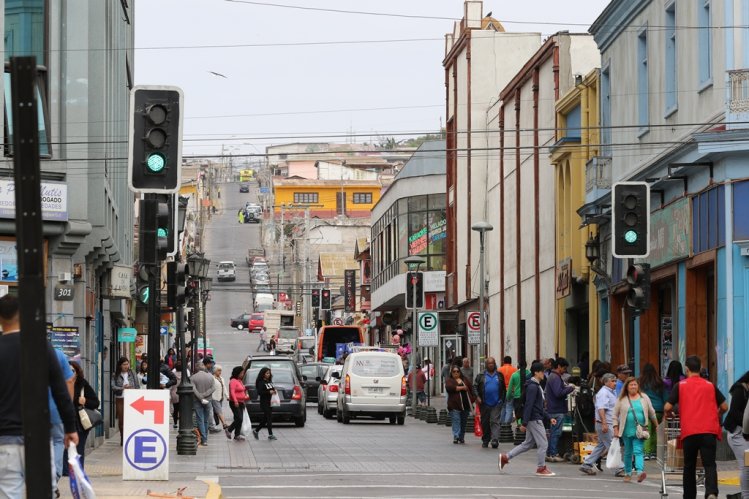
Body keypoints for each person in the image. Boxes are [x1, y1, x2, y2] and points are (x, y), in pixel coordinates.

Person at [0, 294, 78, 497]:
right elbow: (61, 389)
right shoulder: (42, 347)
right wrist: (70, 427)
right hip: (39, 438)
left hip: (5, 439)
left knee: (9, 493)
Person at [664, 355, 728, 499]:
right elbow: (725, 406)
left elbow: (667, 406)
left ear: (686, 370)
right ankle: (711, 492)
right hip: (709, 431)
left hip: (690, 432)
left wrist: (670, 414)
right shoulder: (710, 385)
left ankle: (689, 496)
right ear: (700, 368)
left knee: (689, 466)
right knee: (710, 464)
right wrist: (717, 415)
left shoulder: (680, 386)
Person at [498, 362, 557, 476]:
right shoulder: (533, 387)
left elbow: (537, 406)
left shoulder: (534, 386)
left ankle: (505, 457)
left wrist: (549, 418)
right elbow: (529, 405)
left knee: (528, 444)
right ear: (536, 373)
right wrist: (524, 423)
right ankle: (541, 468)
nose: (543, 373)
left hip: (533, 418)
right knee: (543, 444)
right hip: (534, 419)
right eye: (541, 371)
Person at [613, 377, 658, 483]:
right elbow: (615, 415)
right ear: (627, 387)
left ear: (638, 386)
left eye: (635, 385)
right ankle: (628, 473)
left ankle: (639, 472)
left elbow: (652, 412)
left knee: (638, 451)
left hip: (640, 430)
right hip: (626, 430)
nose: (633, 387)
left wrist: (657, 425)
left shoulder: (644, 397)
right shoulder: (621, 399)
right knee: (628, 452)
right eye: (631, 385)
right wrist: (615, 428)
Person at [579, 373, 619, 476]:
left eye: (615, 381)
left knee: (601, 446)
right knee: (612, 446)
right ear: (606, 382)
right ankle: (618, 468)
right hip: (605, 424)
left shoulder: (611, 392)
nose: (615, 383)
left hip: (608, 423)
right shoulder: (604, 393)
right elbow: (601, 409)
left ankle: (586, 465)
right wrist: (604, 423)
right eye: (613, 381)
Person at [63, 361, 99, 472]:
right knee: (64, 448)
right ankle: (65, 471)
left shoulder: (83, 384)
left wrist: (85, 401)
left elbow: (96, 403)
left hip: (80, 422)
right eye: (67, 370)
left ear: (77, 373)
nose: (70, 373)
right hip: (64, 421)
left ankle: (77, 471)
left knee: (79, 448)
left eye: (72, 371)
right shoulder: (60, 384)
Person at [723, 370, 749, 498]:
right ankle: (745, 495)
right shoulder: (740, 390)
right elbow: (734, 412)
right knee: (746, 465)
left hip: (745, 433)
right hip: (737, 434)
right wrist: (746, 424)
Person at [544, 357, 575, 462]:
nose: (564, 370)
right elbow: (558, 393)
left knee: (554, 432)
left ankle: (550, 453)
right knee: (556, 433)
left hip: (554, 408)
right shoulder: (555, 377)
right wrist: (570, 388)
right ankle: (553, 453)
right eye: (564, 368)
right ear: (558, 367)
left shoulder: (553, 377)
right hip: (556, 410)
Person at [474, 357, 505, 449]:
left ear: (495, 364)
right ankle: (486, 440)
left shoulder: (499, 375)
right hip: (484, 403)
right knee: (485, 422)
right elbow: (474, 387)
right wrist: (477, 397)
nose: (491, 365)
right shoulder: (481, 375)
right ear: (486, 364)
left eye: (492, 363)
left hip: (496, 403)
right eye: (489, 363)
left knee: (495, 421)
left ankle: (495, 439)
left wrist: (501, 400)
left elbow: (503, 388)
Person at [638, 362, 667, 460]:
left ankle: (646, 452)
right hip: (659, 409)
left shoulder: (640, 382)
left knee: (646, 431)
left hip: (645, 410)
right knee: (656, 431)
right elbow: (665, 397)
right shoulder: (659, 382)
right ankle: (654, 452)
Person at [112, 356, 139, 445]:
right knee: (122, 419)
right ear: (120, 365)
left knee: (132, 419)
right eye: (124, 364)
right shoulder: (115, 374)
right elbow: (113, 387)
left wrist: (136, 394)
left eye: (127, 364)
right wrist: (122, 387)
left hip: (132, 398)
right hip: (120, 398)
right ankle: (123, 437)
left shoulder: (132, 373)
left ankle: (130, 437)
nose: (126, 366)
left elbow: (137, 385)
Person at [445, 364, 474, 444]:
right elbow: (450, 388)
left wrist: (473, 399)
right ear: (451, 373)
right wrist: (462, 388)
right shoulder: (449, 380)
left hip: (465, 405)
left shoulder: (464, 379)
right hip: (454, 405)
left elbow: (471, 388)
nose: (456, 373)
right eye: (454, 372)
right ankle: (456, 436)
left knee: (463, 422)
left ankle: (461, 437)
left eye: (457, 371)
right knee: (456, 420)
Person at [191, 360, 216, 446]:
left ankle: (203, 438)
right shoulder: (210, 376)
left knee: (200, 420)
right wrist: (205, 395)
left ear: (196, 369)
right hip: (208, 400)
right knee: (206, 420)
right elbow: (213, 388)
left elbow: (194, 390)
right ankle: (205, 439)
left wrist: (200, 397)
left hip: (197, 401)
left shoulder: (193, 377)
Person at [253, 367, 278, 440]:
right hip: (264, 402)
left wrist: (274, 391)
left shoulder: (269, 381)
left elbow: (271, 389)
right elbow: (260, 392)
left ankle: (256, 430)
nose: (268, 374)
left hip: (270, 402)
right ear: (263, 374)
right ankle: (270, 434)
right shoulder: (261, 382)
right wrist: (268, 392)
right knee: (269, 417)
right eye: (267, 373)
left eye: (269, 373)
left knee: (265, 419)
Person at [226, 366, 248, 441]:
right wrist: (235, 401)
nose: (243, 374)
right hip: (235, 402)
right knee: (239, 418)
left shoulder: (239, 381)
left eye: (243, 373)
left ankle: (237, 435)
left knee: (239, 419)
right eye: (241, 373)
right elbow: (232, 392)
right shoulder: (233, 381)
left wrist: (245, 397)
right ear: (237, 373)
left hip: (241, 402)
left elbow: (242, 391)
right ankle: (229, 429)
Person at [210, 365, 229, 433]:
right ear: (215, 371)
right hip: (214, 398)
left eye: (220, 370)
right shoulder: (212, 378)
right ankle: (224, 424)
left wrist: (227, 396)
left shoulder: (222, 378)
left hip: (220, 398)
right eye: (218, 370)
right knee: (219, 411)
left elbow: (224, 388)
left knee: (216, 413)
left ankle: (213, 425)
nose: (220, 372)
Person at [170, 361, 185, 429]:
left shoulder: (172, 374)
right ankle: (182, 423)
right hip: (182, 393)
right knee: (182, 409)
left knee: (175, 409)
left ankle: (175, 423)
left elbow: (170, 384)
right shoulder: (185, 375)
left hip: (174, 393)